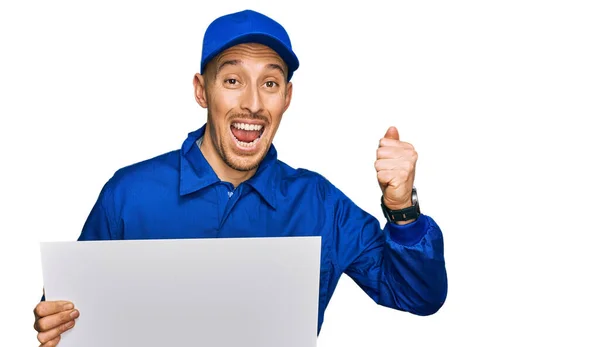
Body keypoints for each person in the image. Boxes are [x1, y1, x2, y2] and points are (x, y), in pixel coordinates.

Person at [33, 9, 448, 346]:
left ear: (287, 97)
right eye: (232, 80)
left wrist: (402, 207)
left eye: (269, 82)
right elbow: (69, 312)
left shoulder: (320, 205)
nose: (252, 103)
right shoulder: (129, 195)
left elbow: (418, 296)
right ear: (202, 91)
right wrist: (55, 319)